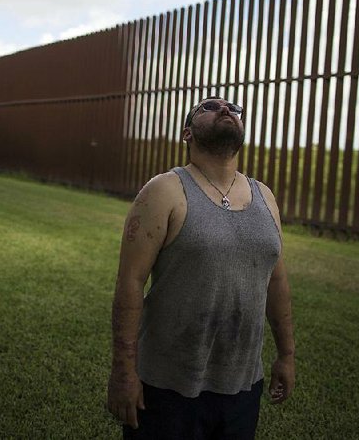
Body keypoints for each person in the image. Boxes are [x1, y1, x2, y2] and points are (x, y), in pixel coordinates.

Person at [107, 97, 295, 438]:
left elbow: (277, 281)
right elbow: (130, 283)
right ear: (187, 133)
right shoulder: (164, 190)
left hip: (242, 387)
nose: (226, 110)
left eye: (233, 108)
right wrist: (123, 370)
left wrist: (286, 354)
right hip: (167, 387)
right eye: (209, 106)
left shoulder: (265, 196)